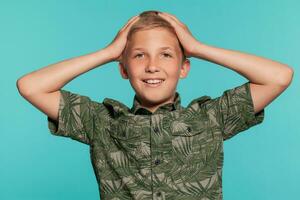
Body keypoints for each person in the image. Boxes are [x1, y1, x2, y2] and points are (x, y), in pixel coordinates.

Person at [17, 10, 293, 200]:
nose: (152, 66)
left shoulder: (211, 118)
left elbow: (279, 77)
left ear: (183, 68)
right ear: (124, 69)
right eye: (139, 56)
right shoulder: (101, 122)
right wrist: (108, 53)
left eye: (165, 55)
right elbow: (31, 86)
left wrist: (197, 47)